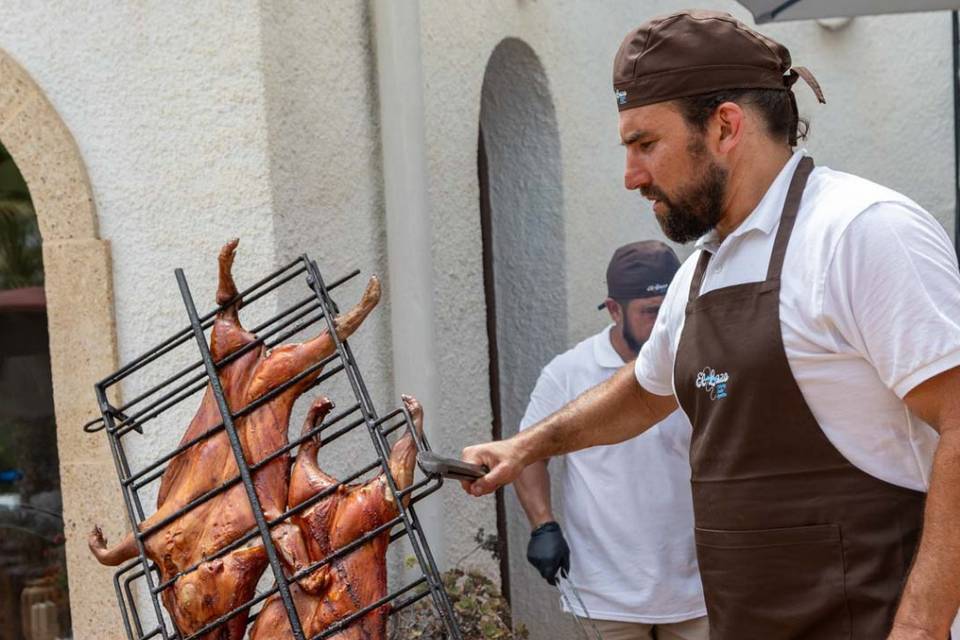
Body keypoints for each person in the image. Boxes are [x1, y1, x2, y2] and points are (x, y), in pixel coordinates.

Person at [460, 10, 960, 640]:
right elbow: (645, 390)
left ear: (725, 126)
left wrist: (921, 625)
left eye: (646, 144)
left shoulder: (861, 230)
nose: (631, 176)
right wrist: (527, 446)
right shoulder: (702, 268)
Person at [515, 240, 707, 640]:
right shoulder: (569, 372)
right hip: (606, 593)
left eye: (669, 309)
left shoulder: (700, 364)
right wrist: (542, 526)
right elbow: (528, 452)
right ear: (615, 309)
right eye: (649, 312)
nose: (662, 324)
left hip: (696, 589)